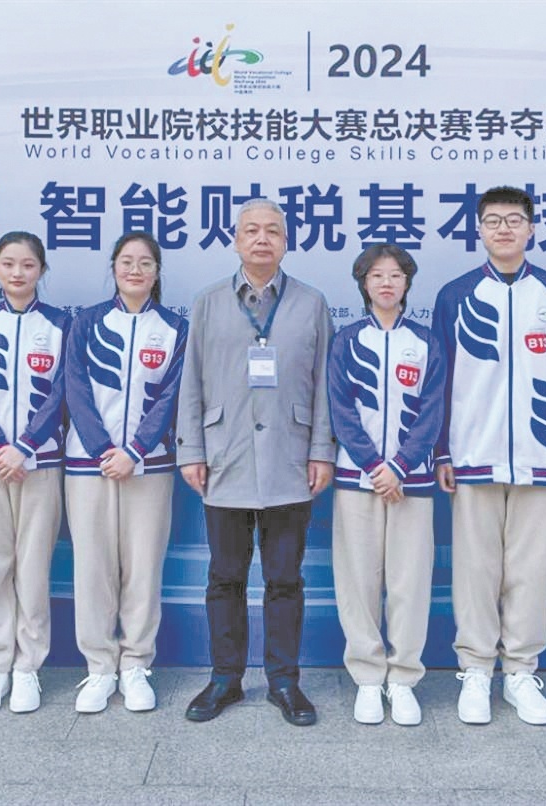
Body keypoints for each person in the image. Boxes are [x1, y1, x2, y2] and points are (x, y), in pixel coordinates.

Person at [432, 185, 546, 726]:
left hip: (541, 452)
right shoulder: (455, 295)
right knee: (474, 569)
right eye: (493, 220)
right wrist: (441, 451)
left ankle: (521, 671)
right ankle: (476, 670)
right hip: (472, 453)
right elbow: (440, 379)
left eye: (514, 219)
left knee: (531, 569)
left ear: (531, 228)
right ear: (478, 229)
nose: (504, 228)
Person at [176, 197, 335, 726]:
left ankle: (284, 681)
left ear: (286, 241)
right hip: (225, 457)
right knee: (225, 576)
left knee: (285, 578)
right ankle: (225, 679)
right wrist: (192, 450)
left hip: (291, 459)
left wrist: (321, 450)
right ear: (236, 240)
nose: (262, 238)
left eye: (273, 231)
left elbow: (324, 384)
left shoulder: (311, 302)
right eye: (251, 230)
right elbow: (192, 381)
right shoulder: (208, 302)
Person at [64, 232, 188, 714]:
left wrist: (135, 451)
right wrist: (103, 451)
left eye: (145, 263)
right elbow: (75, 389)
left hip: (149, 467)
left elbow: (172, 397)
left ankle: (136, 664)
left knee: (143, 566)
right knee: (92, 567)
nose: (135, 270)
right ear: (113, 267)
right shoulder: (86, 323)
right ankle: (99, 667)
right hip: (88, 466)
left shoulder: (175, 328)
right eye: (126, 262)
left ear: (157, 272)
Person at [327, 245, 445, 726]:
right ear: (364, 283)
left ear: (407, 283)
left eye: (395, 275)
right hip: (358, 480)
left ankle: (403, 679)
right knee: (358, 581)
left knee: (409, 583)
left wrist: (400, 466)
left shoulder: (426, 342)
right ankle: (368, 678)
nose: (386, 283)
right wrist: (376, 465)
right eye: (377, 275)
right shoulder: (346, 341)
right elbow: (340, 409)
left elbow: (433, 412)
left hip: (411, 481)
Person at [0, 231, 69, 715]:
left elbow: (62, 392)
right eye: (8, 264)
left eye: (28, 264)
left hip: (39, 464)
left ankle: (27, 668)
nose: (18, 272)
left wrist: (23, 448)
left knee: (33, 566)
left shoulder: (61, 324)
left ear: (41, 270)